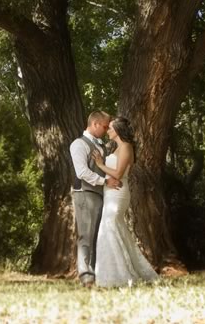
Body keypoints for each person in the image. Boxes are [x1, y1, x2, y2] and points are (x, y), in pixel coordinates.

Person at [91, 116, 159, 287]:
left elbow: (119, 174)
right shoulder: (117, 148)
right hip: (110, 193)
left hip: (118, 193)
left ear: (119, 130)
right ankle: (113, 273)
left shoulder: (126, 147)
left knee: (110, 227)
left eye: (111, 128)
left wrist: (100, 164)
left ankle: (122, 275)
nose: (108, 130)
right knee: (114, 228)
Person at [70, 111, 123, 287]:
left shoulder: (102, 146)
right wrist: (105, 181)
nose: (107, 129)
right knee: (85, 235)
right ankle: (85, 274)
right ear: (95, 124)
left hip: (102, 195)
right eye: (105, 126)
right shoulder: (78, 144)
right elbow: (82, 172)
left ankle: (94, 273)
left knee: (96, 236)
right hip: (85, 193)